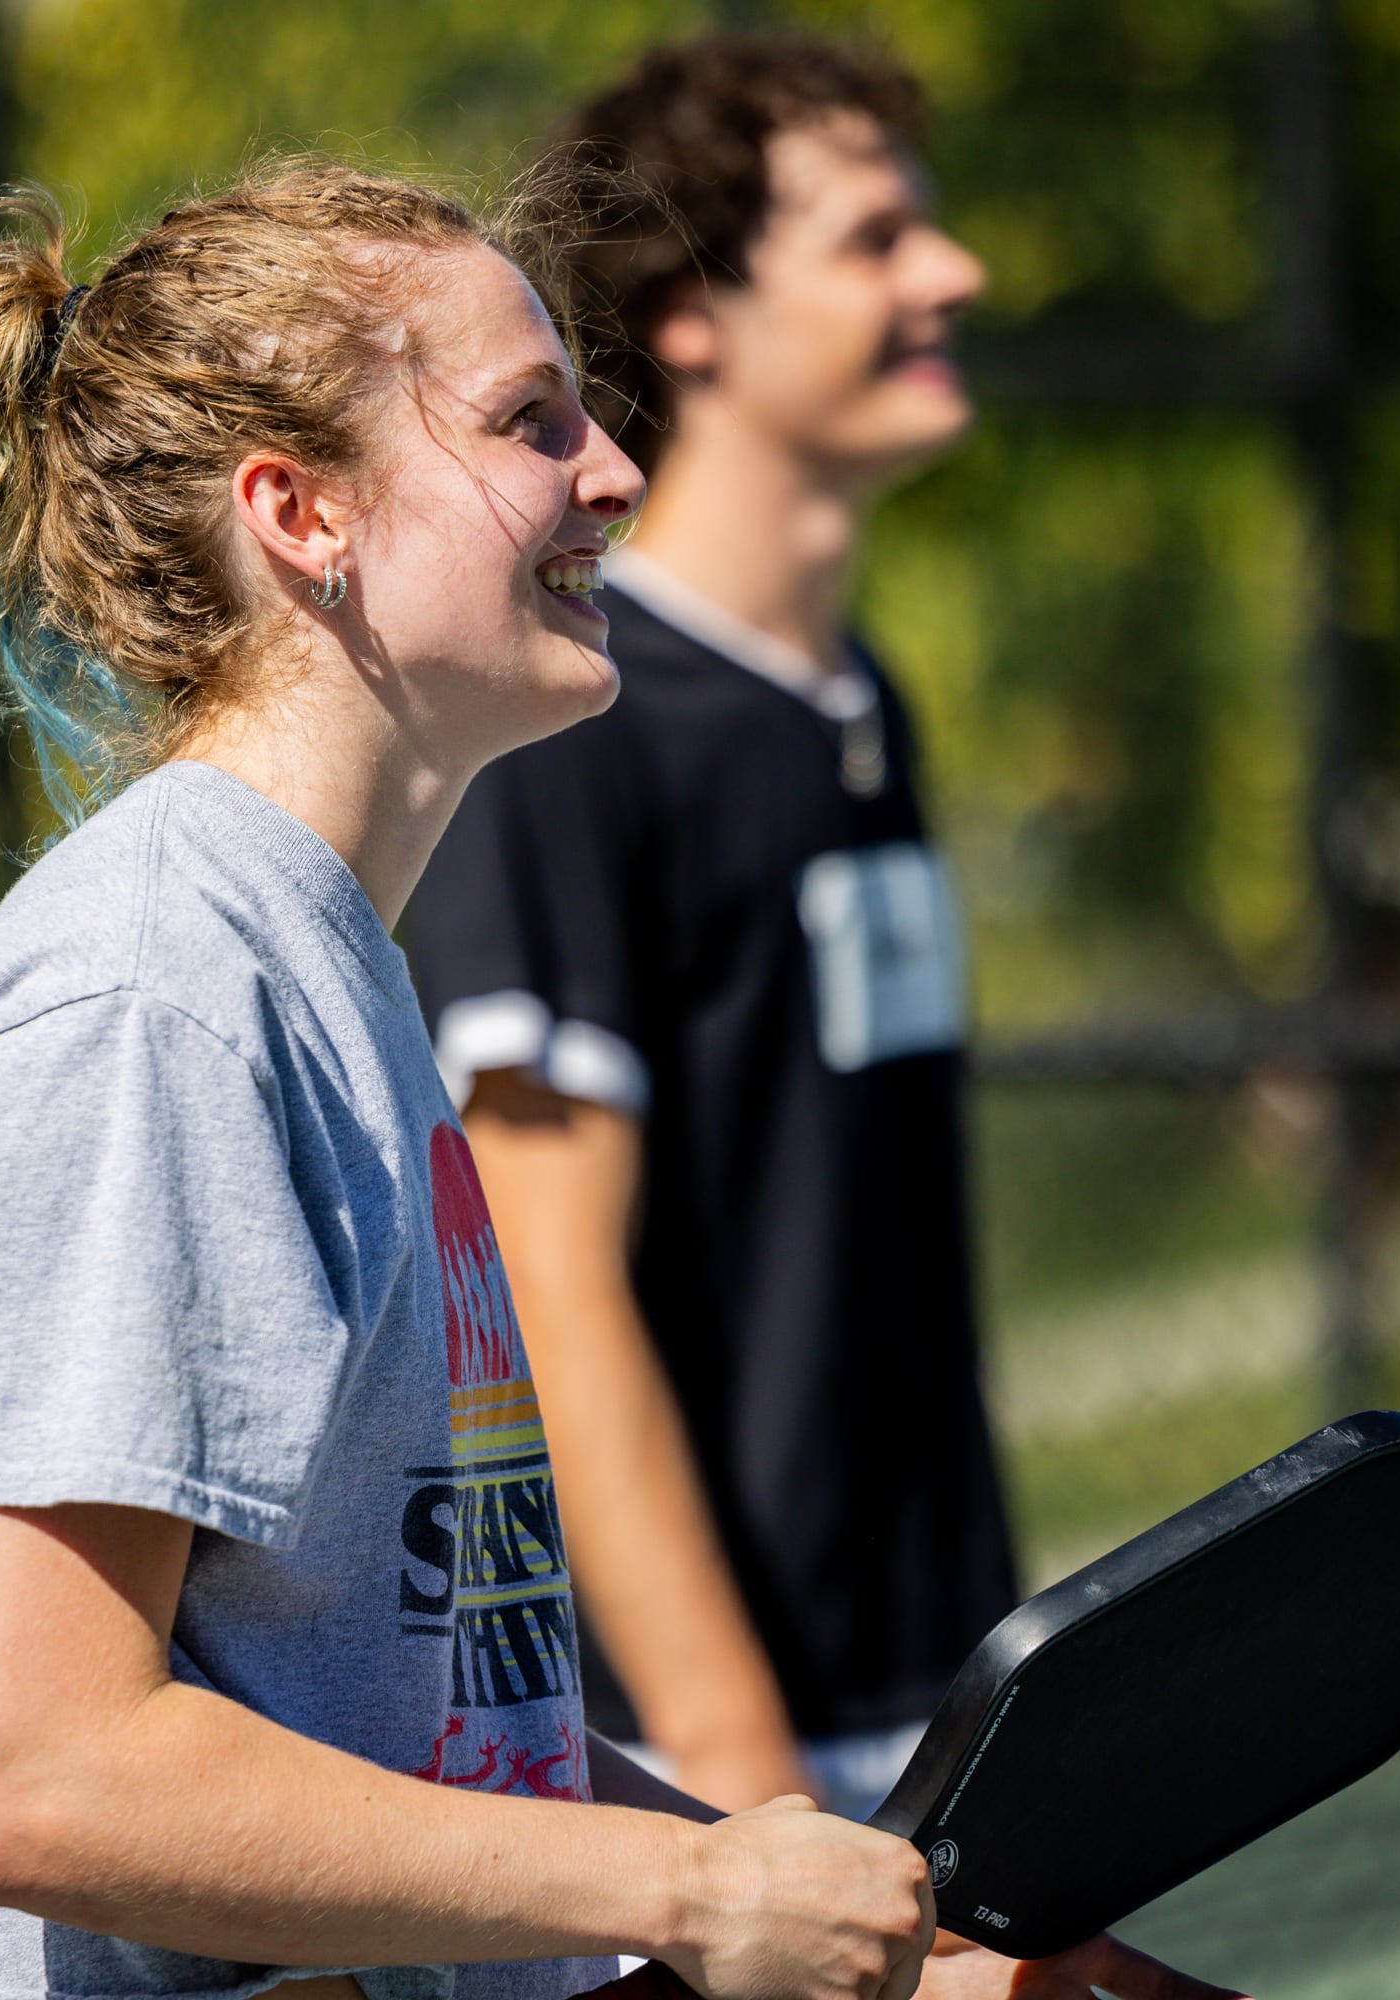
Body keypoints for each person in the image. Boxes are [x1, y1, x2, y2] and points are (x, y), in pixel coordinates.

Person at [0, 157, 1238, 2000]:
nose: (619, 471)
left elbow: (431, 1747)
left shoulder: (323, 970)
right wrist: (685, 1904)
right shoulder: (153, 1000)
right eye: (527, 420)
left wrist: (893, 1939)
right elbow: (36, 1776)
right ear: (298, 513)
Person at [407, 36, 1018, 1822]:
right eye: (874, 238)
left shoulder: (861, 701)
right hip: (730, 1771)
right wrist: (749, 1802)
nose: (949, 273)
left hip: (944, 1702)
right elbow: (552, 1287)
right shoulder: (578, 731)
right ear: (694, 316)